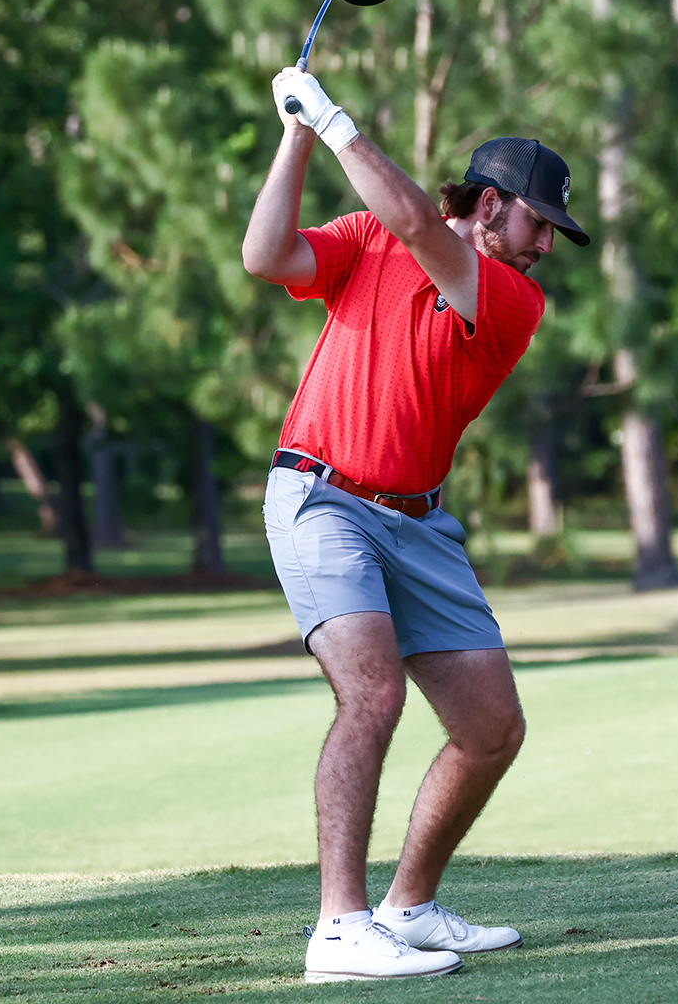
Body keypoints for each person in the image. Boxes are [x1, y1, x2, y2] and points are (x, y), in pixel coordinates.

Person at [241, 66, 589, 982]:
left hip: (419, 523)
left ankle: (411, 908)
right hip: (321, 497)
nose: (548, 244)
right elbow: (265, 256)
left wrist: (335, 118)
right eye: (540, 221)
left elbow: (416, 226)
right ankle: (339, 928)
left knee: (491, 729)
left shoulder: (510, 297)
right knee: (372, 694)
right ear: (494, 204)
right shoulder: (369, 240)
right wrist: (296, 135)